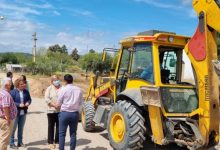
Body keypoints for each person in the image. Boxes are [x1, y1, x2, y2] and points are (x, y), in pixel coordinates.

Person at [55, 74, 83, 150]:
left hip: (64, 113)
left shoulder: (63, 89)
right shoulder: (79, 89)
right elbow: (81, 103)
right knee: (73, 134)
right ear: (72, 80)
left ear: (65, 81)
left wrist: (55, 105)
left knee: (62, 134)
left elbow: (58, 103)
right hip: (75, 114)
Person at [10, 79, 32, 149]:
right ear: (17, 85)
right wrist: (18, 104)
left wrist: (28, 102)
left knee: (21, 128)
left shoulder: (26, 91)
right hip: (15, 113)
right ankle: (12, 143)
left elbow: (29, 99)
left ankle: (20, 142)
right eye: (22, 84)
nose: (24, 85)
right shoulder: (13, 92)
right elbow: (11, 102)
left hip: (23, 113)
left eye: (24, 84)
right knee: (13, 129)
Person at [0, 78, 17, 150]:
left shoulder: (1, 92)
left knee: (2, 138)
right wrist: (8, 118)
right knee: (4, 140)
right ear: (7, 85)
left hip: (2, 118)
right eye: (11, 84)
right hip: (5, 120)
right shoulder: (6, 95)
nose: (12, 86)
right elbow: (5, 106)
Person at [45, 75, 61, 149]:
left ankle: (57, 142)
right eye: (54, 80)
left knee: (59, 126)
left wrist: (60, 104)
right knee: (51, 126)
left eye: (57, 79)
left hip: (60, 110)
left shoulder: (62, 88)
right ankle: (50, 142)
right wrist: (53, 105)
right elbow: (47, 99)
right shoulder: (49, 88)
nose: (56, 81)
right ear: (51, 81)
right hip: (51, 110)